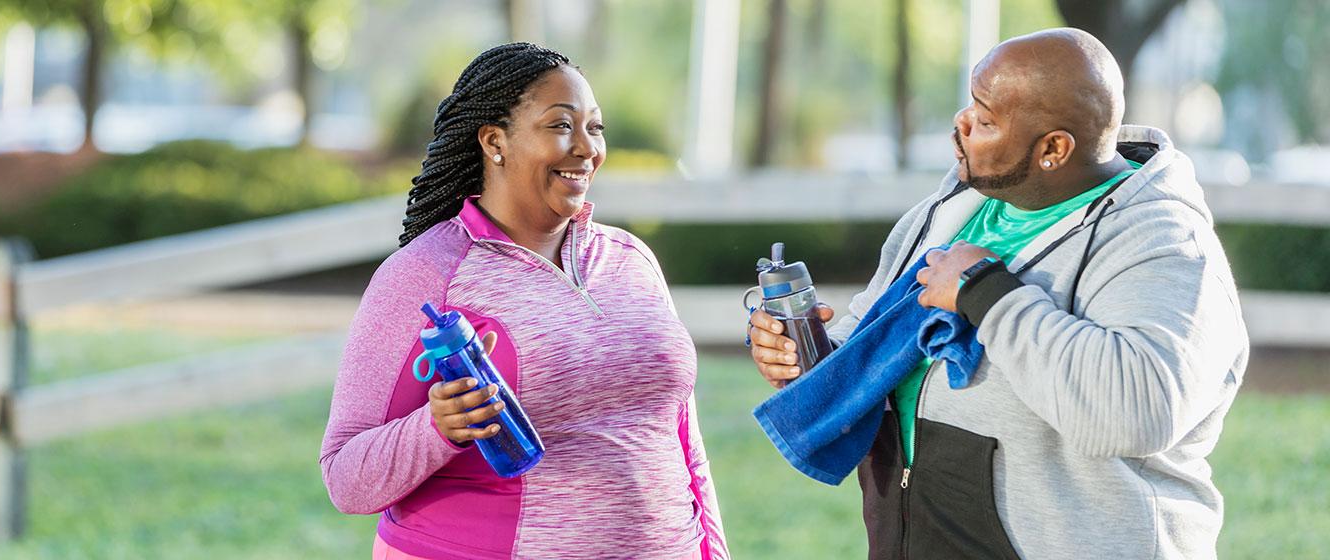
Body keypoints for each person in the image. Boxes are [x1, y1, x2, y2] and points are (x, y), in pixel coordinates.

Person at [747, 28, 1247, 559]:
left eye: (986, 120)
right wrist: (815, 357)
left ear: (1054, 148)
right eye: (971, 105)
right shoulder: (957, 205)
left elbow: (1139, 409)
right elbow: (889, 333)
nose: (962, 124)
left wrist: (987, 293)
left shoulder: (1164, 245)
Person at [321, 42, 729, 560]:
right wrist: (438, 427)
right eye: (561, 125)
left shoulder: (632, 259)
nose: (587, 148)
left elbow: (684, 442)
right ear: (495, 141)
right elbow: (345, 476)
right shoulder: (425, 275)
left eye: (595, 127)